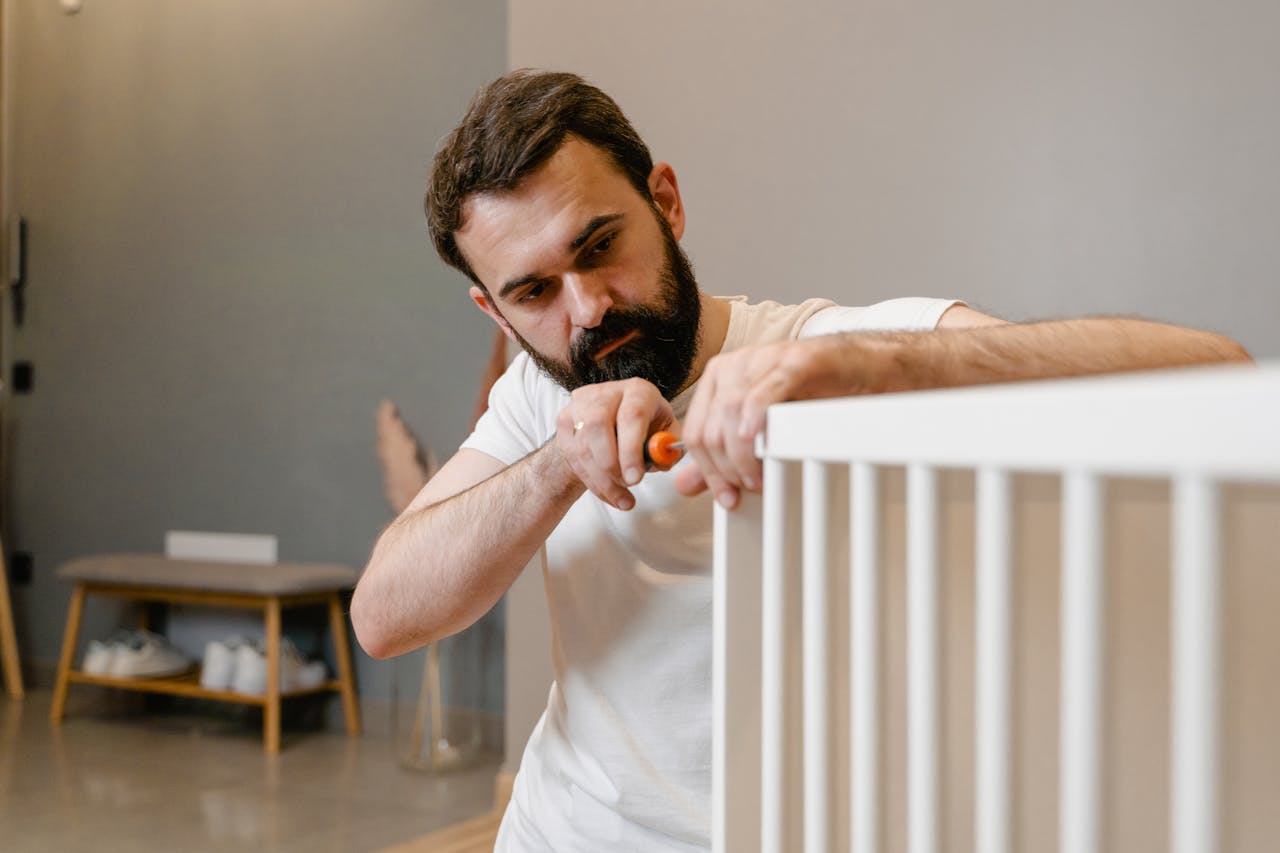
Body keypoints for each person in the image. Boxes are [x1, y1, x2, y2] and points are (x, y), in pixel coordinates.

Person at [351, 70, 1251, 851]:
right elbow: (385, 616)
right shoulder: (539, 394)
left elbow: (1218, 371)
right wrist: (556, 464)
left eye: (599, 246)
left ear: (665, 200)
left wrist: (884, 366)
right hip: (560, 833)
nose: (586, 309)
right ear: (493, 313)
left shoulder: (827, 351)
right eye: (535, 292)